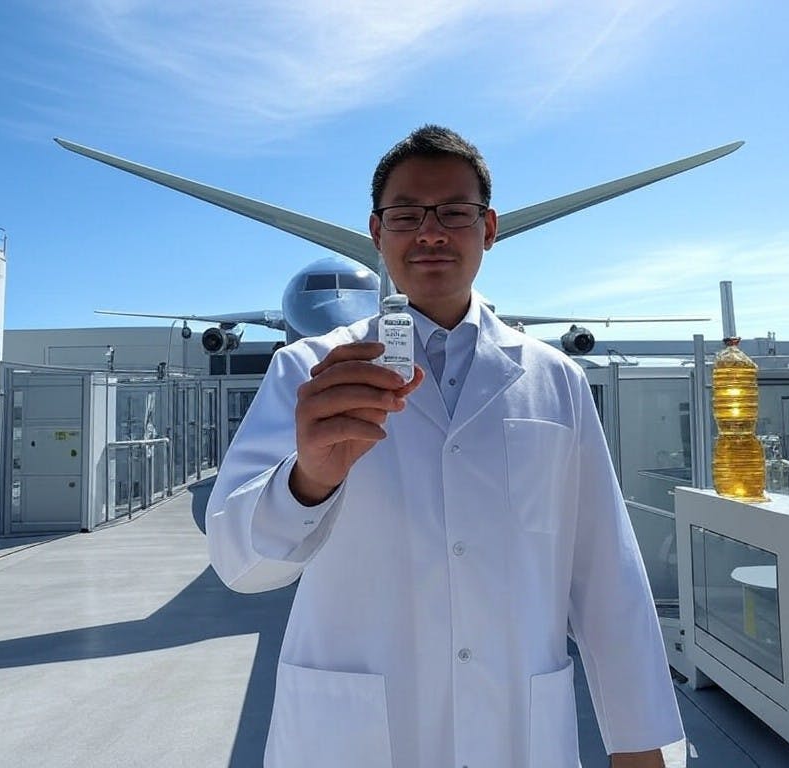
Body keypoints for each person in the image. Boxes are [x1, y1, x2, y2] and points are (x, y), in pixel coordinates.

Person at [206, 125, 684, 768]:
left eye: (454, 214)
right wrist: (308, 480)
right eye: (406, 215)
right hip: (354, 736)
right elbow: (240, 564)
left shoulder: (556, 381)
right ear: (376, 233)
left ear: (489, 228)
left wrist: (640, 738)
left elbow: (604, 572)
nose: (430, 232)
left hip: (518, 731)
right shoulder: (306, 371)